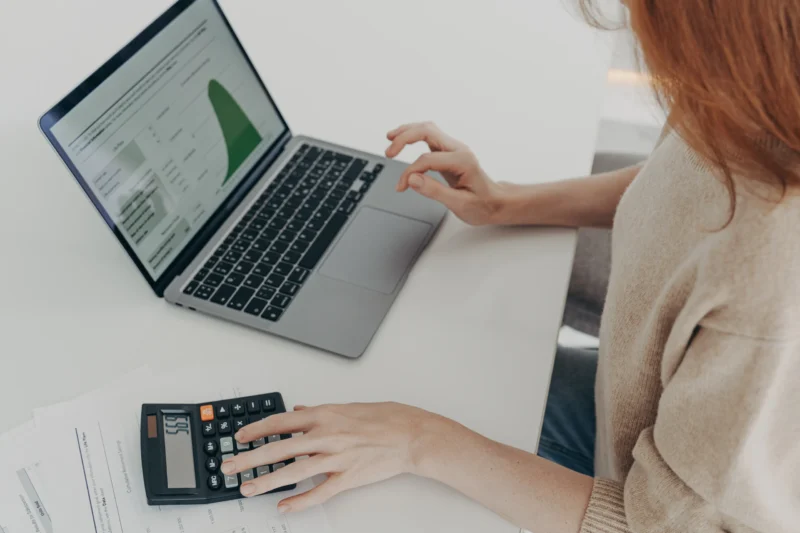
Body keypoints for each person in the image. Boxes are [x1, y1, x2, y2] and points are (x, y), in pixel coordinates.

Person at [220, 2, 800, 531]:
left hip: (655, 493)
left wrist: (420, 438)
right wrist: (504, 203)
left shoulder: (767, 278)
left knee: (391, 435)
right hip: (659, 402)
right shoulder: (755, 90)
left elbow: (658, 524)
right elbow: (682, 185)